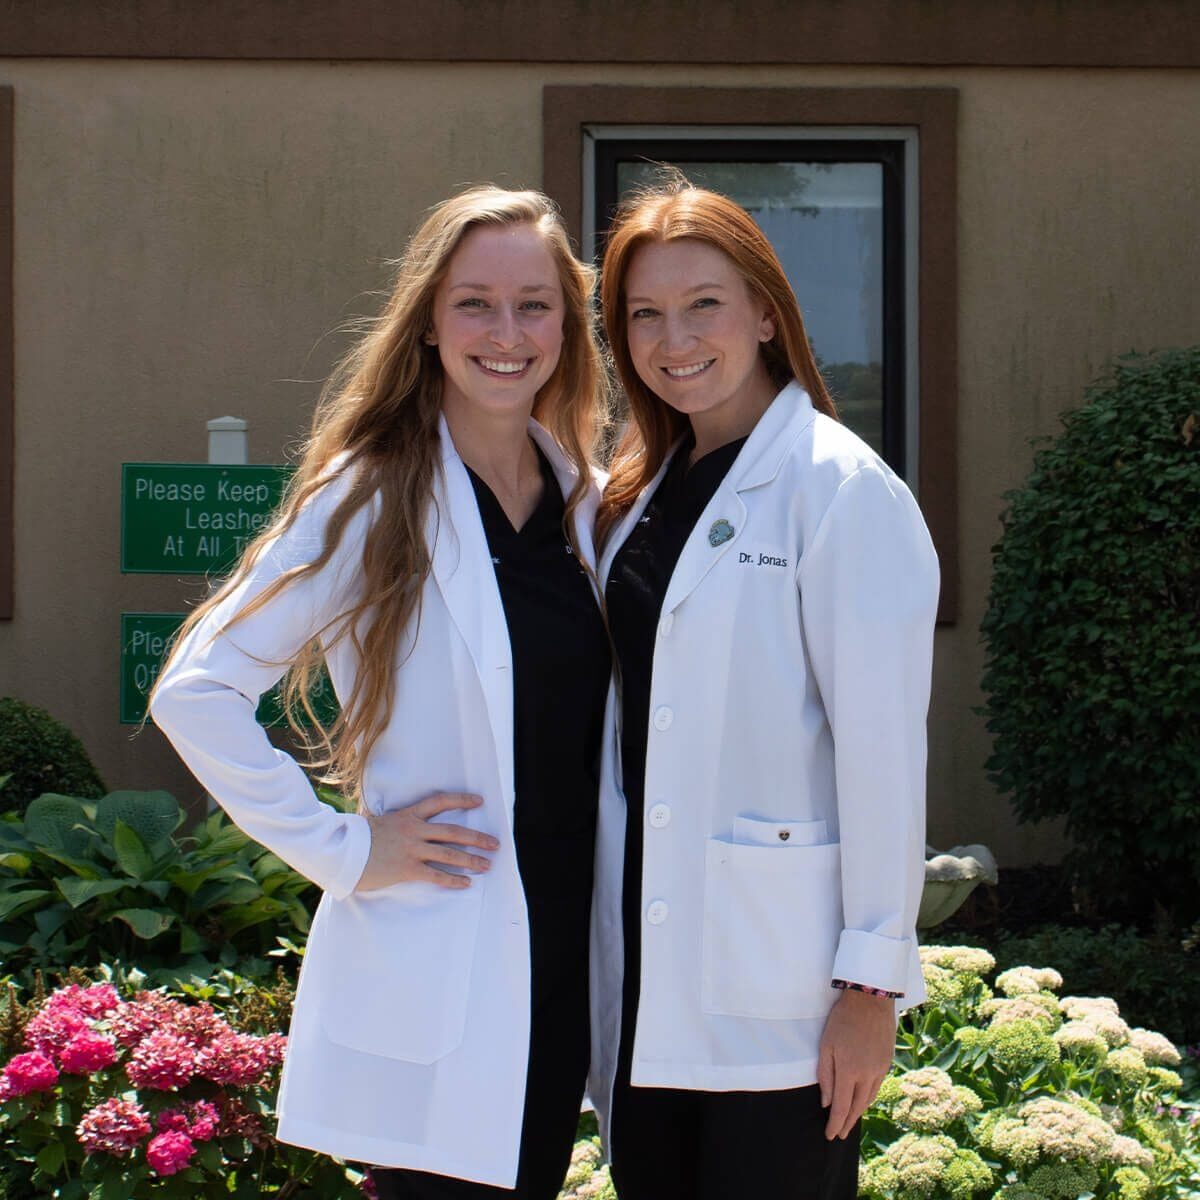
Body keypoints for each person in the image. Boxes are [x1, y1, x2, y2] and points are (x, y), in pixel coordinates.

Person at [150, 186, 611, 1199]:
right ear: (429, 324)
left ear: (569, 326)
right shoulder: (371, 493)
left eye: (535, 304)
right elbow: (198, 688)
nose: (507, 332)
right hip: (444, 955)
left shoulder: (583, 492)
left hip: (568, 954)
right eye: (475, 303)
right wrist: (345, 851)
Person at [586, 178, 940, 1200]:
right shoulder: (640, 492)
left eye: (704, 304)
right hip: (653, 975)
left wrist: (871, 984)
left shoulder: (840, 488)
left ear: (766, 316)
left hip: (780, 990)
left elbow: (882, 752)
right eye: (643, 314)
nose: (674, 337)